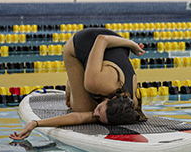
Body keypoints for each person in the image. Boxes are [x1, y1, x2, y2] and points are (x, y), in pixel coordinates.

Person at [10, 28, 147, 140]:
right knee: (80, 106)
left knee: (88, 110)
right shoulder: (94, 82)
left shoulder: (130, 105)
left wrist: (35, 124)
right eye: (98, 111)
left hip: (116, 48)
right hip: (86, 42)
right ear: (112, 99)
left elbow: (80, 118)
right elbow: (101, 39)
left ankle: (85, 73)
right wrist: (131, 44)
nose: (94, 114)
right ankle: (75, 77)